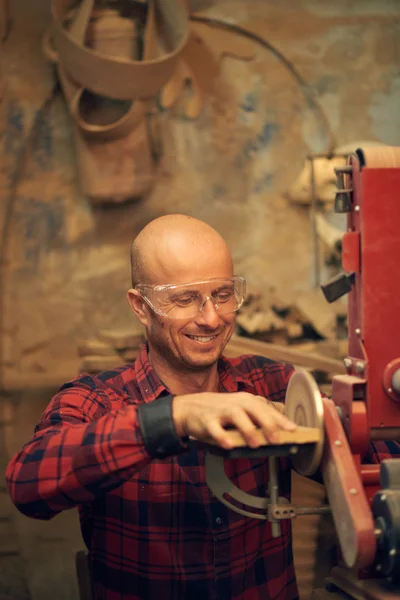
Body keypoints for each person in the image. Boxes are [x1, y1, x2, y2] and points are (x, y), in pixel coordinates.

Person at [6, 214, 397, 600]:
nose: (211, 318)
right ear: (140, 307)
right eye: (185, 299)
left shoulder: (272, 383)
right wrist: (174, 418)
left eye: (223, 295)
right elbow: (27, 486)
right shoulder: (94, 399)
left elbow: (381, 462)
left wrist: (351, 425)